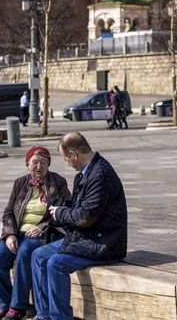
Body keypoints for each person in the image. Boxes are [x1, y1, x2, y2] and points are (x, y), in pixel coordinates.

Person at [31, 132, 128, 320]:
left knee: (56, 264)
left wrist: (60, 213)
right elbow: (78, 211)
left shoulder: (100, 175)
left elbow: (86, 217)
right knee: (38, 255)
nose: (67, 163)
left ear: (73, 154)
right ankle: (43, 316)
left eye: (65, 158)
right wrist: (58, 208)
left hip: (103, 244)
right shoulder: (84, 174)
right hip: (86, 238)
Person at [0, 146, 71, 320]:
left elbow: (65, 210)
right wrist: (9, 234)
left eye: (43, 162)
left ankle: (18, 307)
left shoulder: (58, 182)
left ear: (49, 164)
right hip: (18, 231)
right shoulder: (20, 183)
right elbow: (9, 211)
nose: (39, 166)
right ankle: (5, 303)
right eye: (35, 162)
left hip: (44, 233)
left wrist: (42, 226)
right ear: (27, 164)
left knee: (26, 252)